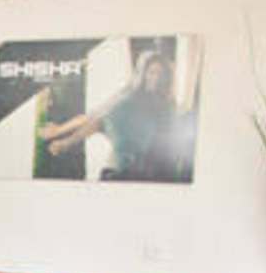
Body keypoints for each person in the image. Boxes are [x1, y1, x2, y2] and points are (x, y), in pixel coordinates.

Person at [38, 51, 181, 181]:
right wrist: (60, 133)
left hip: (149, 173)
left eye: (160, 74)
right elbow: (95, 117)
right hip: (118, 171)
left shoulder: (167, 105)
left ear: (166, 77)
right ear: (143, 74)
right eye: (152, 72)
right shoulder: (129, 96)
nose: (156, 78)